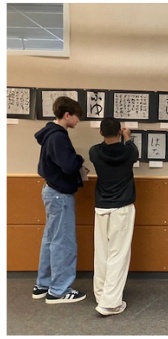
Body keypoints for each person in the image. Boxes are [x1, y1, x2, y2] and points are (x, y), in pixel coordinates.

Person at [33, 96, 88, 304]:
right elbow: (68, 165)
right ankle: (59, 290)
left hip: (51, 190)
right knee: (63, 243)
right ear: (67, 115)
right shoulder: (58, 137)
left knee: (50, 240)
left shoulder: (50, 134)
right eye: (76, 117)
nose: (78, 121)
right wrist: (79, 161)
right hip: (59, 195)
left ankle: (43, 284)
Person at [89, 117, 139, 315]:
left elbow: (105, 149)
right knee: (119, 254)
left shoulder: (94, 152)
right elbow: (131, 150)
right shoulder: (129, 151)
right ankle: (110, 303)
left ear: (101, 132)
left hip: (101, 207)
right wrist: (128, 137)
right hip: (123, 208)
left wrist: (120, 136)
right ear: (119, 131)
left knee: (101, 252)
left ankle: (101, 294)